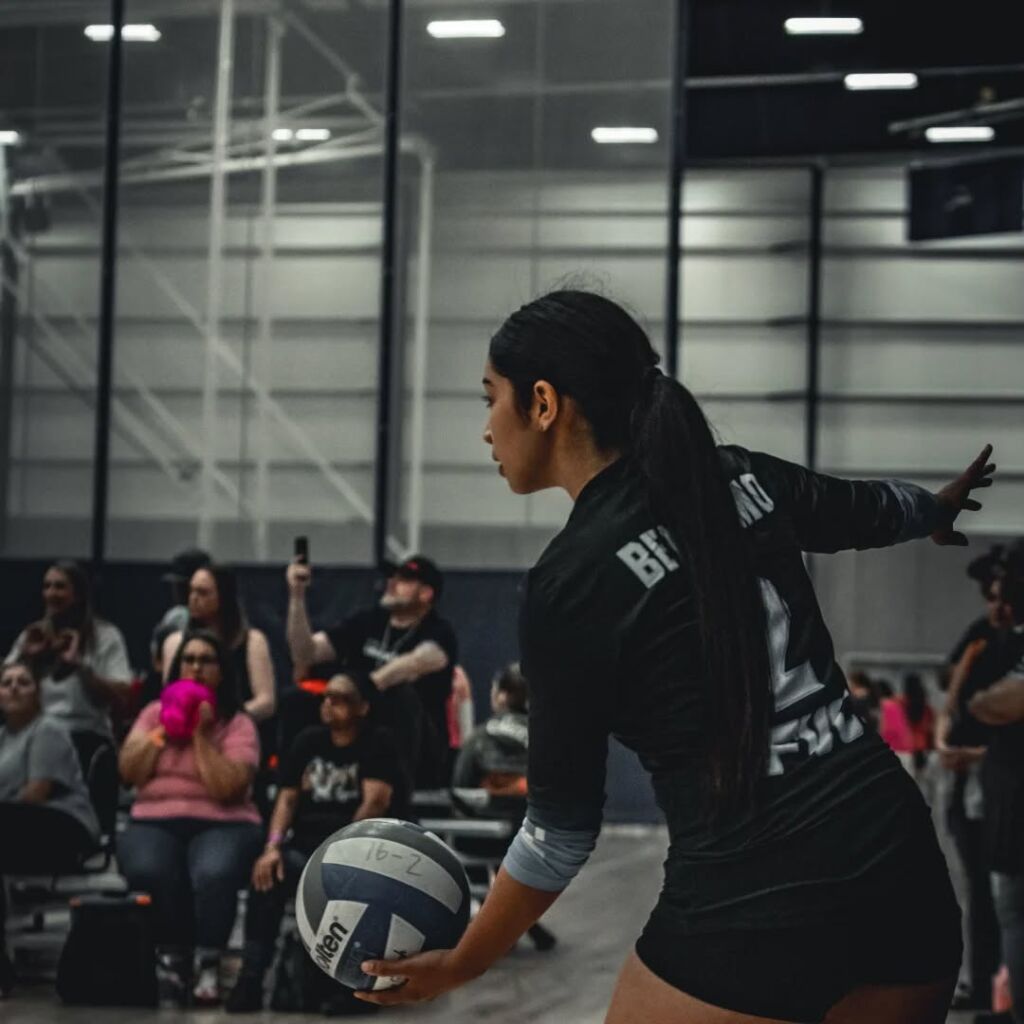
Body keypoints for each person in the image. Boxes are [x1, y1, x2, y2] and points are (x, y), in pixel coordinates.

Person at [356, 290, 992, 1023]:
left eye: (490, 397)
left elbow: (560, 833)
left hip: (757, 889)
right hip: (897, 861)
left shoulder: (572, 581)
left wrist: (464, 960)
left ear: (544, 404)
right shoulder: (744, 477)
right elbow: (875, 510)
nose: (485, 427)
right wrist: (937, 509)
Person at [225, 670, 403, 1013]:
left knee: (352, 884)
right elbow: (287, 799)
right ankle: (251, 978)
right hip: (306, 846)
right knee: (268, 875)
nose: (329, 704)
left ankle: (352, 985)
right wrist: (272, 847)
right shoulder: (307, 741)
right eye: (326, 697)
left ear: (362, 707)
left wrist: (341, 852)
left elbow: (375, 803)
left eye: (340, 699)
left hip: (361, 847)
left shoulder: (378, 743)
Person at [118, 629, 264, 1007]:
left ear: (222, 671)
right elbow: (129, 772)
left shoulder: (238, 723)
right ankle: (172, 958)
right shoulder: (152, 714)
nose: (196, 668)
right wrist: (166, 729)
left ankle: (208, 961)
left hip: (224, 820)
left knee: (214, 872)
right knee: (150, 869)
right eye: (189, 660)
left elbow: (227, 788)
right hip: (154, 818)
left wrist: (200, 735)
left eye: (206, 660)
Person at [286, 555, 457, 789]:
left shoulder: (439, 631)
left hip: (414, 740)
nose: (392, 583)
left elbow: (416, 662)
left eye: (404, 580)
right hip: (359, 721)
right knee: (297, 700)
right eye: (392, 577)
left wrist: (361, 689)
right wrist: (297, 596)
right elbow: (306, 653)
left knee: (400, 696)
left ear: (426, 593)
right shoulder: (368, 621)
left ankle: (398, 788)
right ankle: (291, 785)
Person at [939, 574, 1019, 1013]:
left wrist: (973, 751)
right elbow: (954, 705)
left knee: (1003, 899)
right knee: (983, 894)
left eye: (1004, 599)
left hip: (998, 781)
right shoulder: (983, 638)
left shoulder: (1011, 647)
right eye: (992, 599)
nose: (997, 608)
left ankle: (998, 990)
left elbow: (987, 713)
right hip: (975, 785)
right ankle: (988, 986)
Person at [0, 660, 100, 998]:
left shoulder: (48, 729)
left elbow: (36, 793)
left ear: (38, 693)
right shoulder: (2, 737)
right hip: (14, 825)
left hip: (62, 824)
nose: (14, 688)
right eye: (7, 682)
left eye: (23, 682)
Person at [4, 561, 131, 774]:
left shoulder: (104, 636)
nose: (51, 593)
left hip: (84, 734)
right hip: (36, 732)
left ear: (78, 595)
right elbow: (6, 684)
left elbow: (122, 695)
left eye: (60, 586)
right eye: (47, 586)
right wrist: (27, 657)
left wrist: (80, 668)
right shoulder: (33, 635)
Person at [966, 563, 1024, 1024]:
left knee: (1012, 912)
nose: (996, 607)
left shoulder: (1007, 644)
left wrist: (978, 700)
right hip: (1006, 793)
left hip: (1014, 801)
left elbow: (989, 704)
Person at [161, 564, 276, 723]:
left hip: (241, 726)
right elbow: (170, 698)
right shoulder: (175, 642)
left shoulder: (252, 641)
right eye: (191, 591)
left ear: (223, 596)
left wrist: (225, 720)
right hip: (188, 727)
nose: (193, 598)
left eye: (202, 592)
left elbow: (266, 702)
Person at [453, 663, 529, 795]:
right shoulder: (545, 742)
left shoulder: (478, 738)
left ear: (502, 696)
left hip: (481, 808)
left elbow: (460, 788)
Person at [150, 548, 212, 678]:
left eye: (182, 585)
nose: (176, 590)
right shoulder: (176, 616)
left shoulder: (220, 620)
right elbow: (159, 665)